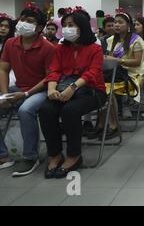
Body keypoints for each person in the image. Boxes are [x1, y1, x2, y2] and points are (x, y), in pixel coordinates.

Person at [38, 9, 107, 178]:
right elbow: (54, 70)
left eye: (71, 25)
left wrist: (73, 88)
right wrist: (51, 89)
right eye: (65, 25)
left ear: (82, 27)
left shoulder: (95, 49)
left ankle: (74, 155)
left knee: (70, 110)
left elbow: (92, 73)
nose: (67, 28)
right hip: (63, 88)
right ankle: (55, 155)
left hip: (91, 91)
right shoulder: (61, 48)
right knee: (46, 109)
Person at [0, 3, 55, 175]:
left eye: (29, 21)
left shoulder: (48, 48)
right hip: (17, 87)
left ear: (39, 27)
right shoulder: (10, 43)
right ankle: (3, 156)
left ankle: (30, 157)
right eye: (22, 19)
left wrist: (25, 94)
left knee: (25, 109)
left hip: (40, 90)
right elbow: (3, 69)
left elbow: (49, 78)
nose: (23, 23)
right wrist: (4, 94)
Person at [87, 11, 144, 140]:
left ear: (128, 25)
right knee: (98, 88)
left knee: (107, 91)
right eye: (115, 23)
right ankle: (101, 124)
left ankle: (113, 126)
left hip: (133, 74)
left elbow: (137, 62)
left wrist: (118, 61)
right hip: (116, 72)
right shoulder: (111, 40)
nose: (117, 25)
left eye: (120, 22)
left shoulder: (136, 40)